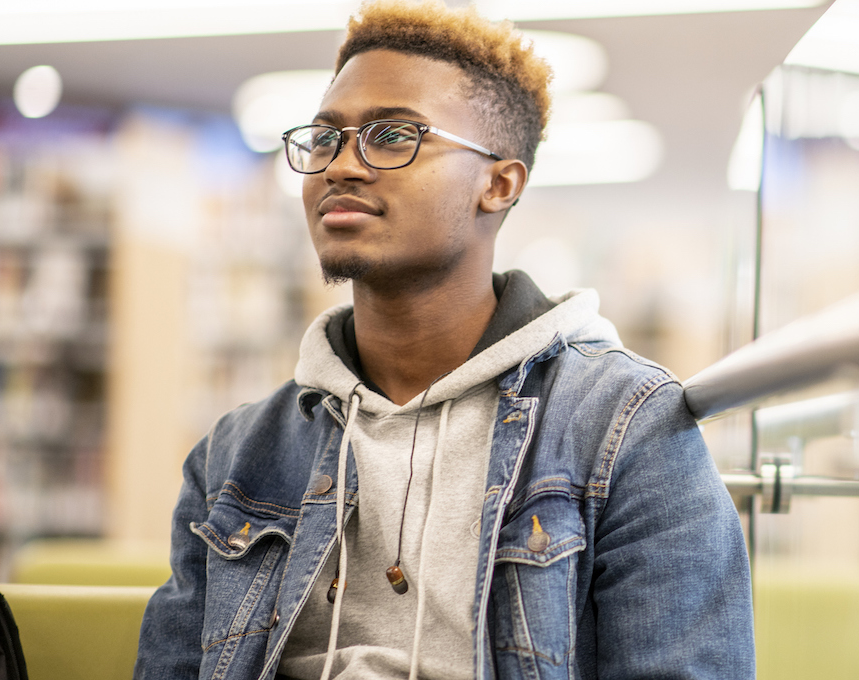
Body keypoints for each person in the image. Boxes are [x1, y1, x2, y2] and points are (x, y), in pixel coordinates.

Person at [133, 2, 754, 678]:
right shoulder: (238, 452)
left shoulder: (625, 427)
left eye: (393, 135)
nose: (341, 164)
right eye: (324, 138)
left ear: (498, 183)